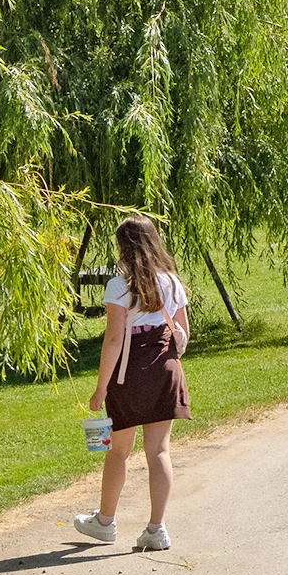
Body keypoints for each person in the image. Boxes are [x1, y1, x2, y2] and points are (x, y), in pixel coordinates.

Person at [75, 216, 191, 552]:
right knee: (159, 451)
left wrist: (101, 388)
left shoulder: (119, 286)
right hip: (166, 369)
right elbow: (184, 331)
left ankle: (106, 523)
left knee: (119, 453)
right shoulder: (172, 282)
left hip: (129, 373)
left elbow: (113, 339)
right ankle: (157, 529)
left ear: (123, 247)